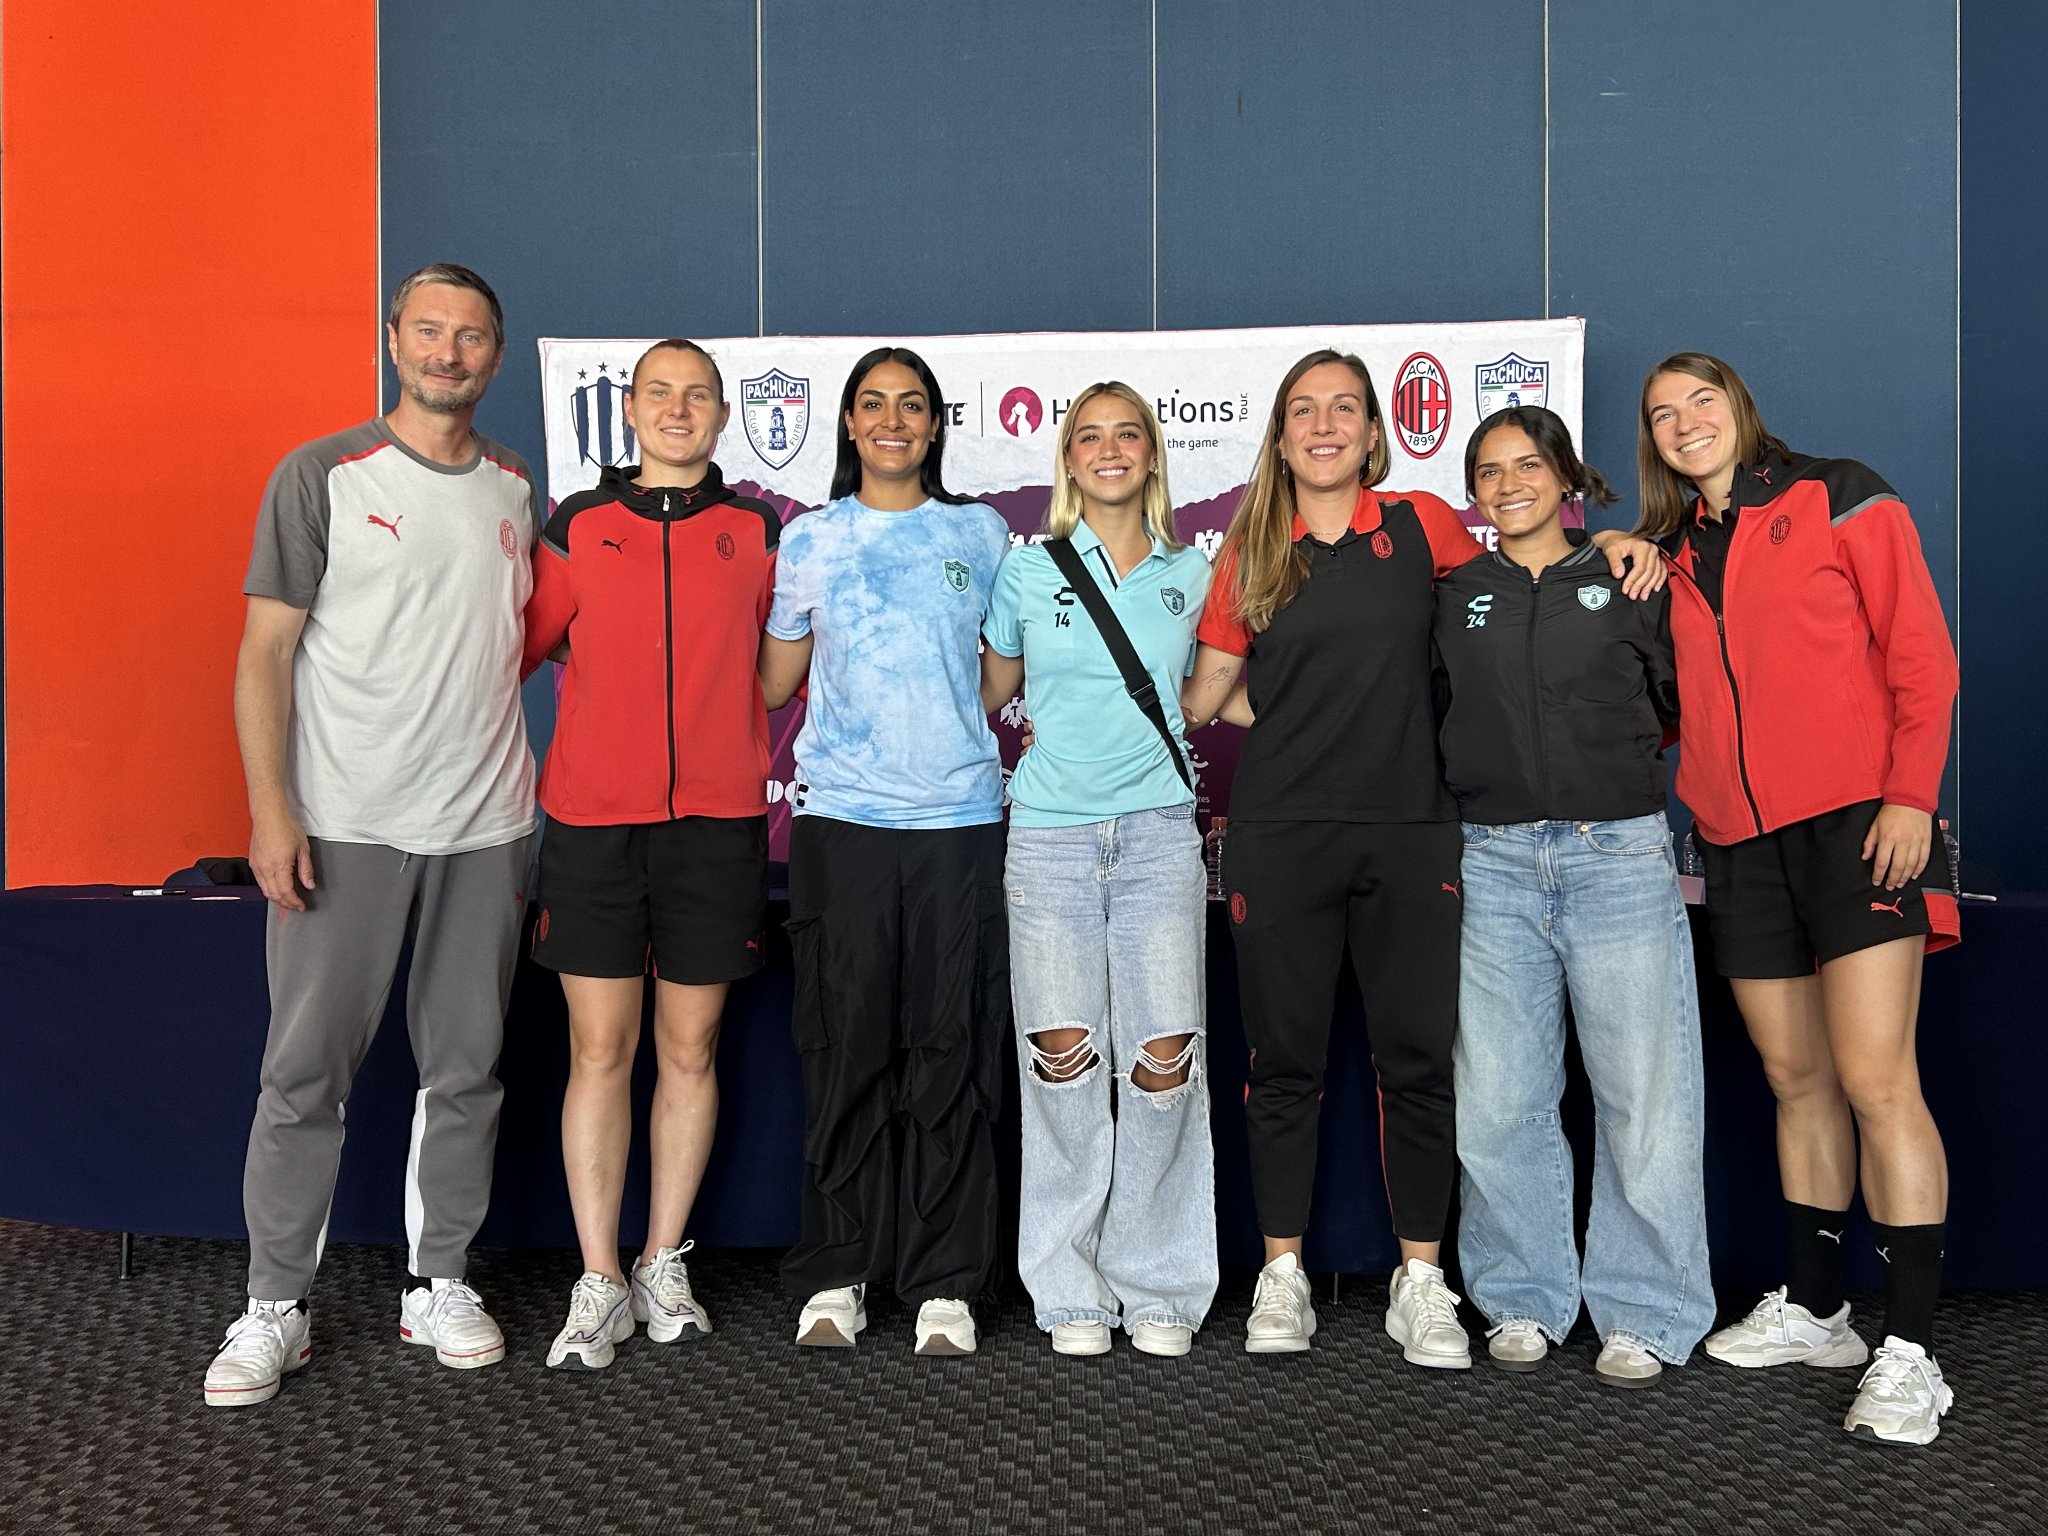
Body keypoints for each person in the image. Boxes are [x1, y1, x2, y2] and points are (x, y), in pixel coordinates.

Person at [1181, 349, 1662, 1361]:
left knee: (1416, 1066)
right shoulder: (1248, 549)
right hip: (1280, 835)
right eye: (1302, 410)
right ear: (1278, 436)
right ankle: (1281, 1280)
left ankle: (1421, 1281)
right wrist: (1295, 718)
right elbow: (1203, 695)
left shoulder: (1420, 526)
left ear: (1370, 433)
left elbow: (1519, 577)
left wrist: (1611, 539)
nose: (1323, 425)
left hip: (1412, 833)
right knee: (1284, 1067)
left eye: (1343, 409)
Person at [207, 264, 538, 1407]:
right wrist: (270, 811)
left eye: (473, 337)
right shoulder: (321, 476)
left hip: (488, 826)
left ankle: (435, 1281)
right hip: (344, 824)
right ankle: (274, 1307)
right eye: (430, 332)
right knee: (302, 1075)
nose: (450, 354)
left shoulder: (513, 488)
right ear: (394, 337)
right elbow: (263, 656)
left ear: (497, 353)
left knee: (467, 1068)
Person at [1638, 352, 1961, 1446]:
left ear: (1737, 406)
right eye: (1661, 415)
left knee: (1877, 1080)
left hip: (1856, 825)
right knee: (1795, 1079)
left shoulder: (1837, 493)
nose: (1684, 423)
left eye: (1700, 401)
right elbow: (1677, 706)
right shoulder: (1672, 556)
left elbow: (1919, 655)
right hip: (1736, 843)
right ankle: (1818, 1310)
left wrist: (1908, 797)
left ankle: (1909, 1352)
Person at [1434, 407, 1712, 1387]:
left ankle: (1645, 1311)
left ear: (1564, 478)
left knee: (1644, 1099)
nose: (1505, 484)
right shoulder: (1454, 594)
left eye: (1525, 465)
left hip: (1615, 858)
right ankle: (1519, 1297)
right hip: (1492, 862)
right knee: (1500, 1100)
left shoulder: (1630, 576)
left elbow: (1683, 705)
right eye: (1486, 470)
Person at [520, 340, 779, 1369]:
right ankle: (598, 1279)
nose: (677, 410)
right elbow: (526, 644)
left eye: (697, 396)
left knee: (689, 1051)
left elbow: (771, 669)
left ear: (721, 417)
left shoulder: (756, 528)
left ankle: (663, 1258)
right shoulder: (578, 526)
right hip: (592, 826)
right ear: (629, 410)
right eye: (658, 394)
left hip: (715, 828)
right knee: (598, 1052)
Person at [758, 347, 1011, 1356]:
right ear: (850, 426)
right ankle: (838, 1272)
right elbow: (778, 683)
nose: (893, 420)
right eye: (874, 405)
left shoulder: (980, 533)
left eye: (911, 405)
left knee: (950, 1051)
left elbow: (994, 680)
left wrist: (936, 733)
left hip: (955, 825)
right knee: (845, 1046)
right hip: (843, 830)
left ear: (936, 425)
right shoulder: (810, 540)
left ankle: (945, 1279)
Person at [980, 382, 1217, 1358]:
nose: (1110, 449)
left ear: (1152, 455)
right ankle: (1069, 1286)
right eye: (1090, 436)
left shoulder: (1193, 572)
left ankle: (1158, 1281)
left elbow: (1215, 695)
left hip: (1160, 837)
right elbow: (991, 691)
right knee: (1063, 1065)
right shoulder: (1026, 573)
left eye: (1128, 434)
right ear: (1067, 459)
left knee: (1163, 1065)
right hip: (1048, 841)